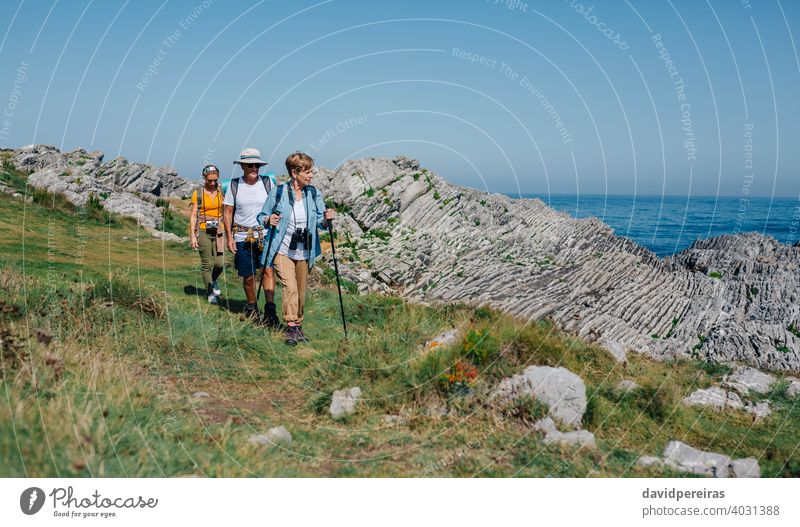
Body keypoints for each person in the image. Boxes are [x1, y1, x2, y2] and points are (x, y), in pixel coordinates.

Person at [258, 152, 335, 346]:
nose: (311, 176)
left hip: (305, 251)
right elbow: (262, 216)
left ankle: (298, 325)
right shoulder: (278, 192)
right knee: (289, 287)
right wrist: (269, 220)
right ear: (294, 173)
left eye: (311, 172)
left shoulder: (314, 193)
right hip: (282, 249)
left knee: (300, 292)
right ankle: (291, 327)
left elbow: (320, 222)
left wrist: (326, 219)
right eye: (307, 172)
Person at [222, 148, 279, 327]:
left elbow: (277, 206)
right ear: (243, 167)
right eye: (250, 165)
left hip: (266, 234)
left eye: (257, 165)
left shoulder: (268, 183)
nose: (254, 168)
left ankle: (270, 311)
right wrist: (229, 237)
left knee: (268, 271)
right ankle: (252, 308)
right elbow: (228, 212)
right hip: (242, 235)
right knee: (248, 276)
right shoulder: (234, 185)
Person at [189, 164, 225, 304]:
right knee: (207, 264)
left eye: (215, 180)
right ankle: (210, 293)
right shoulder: (197, 193)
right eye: (209, 180)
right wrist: (192, 236)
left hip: (219, 230)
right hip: (203, 229)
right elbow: (193, 215)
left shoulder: (222, 192)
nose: (212, 183)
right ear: (204, 178)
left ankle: (213, 280)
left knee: (219, 264)